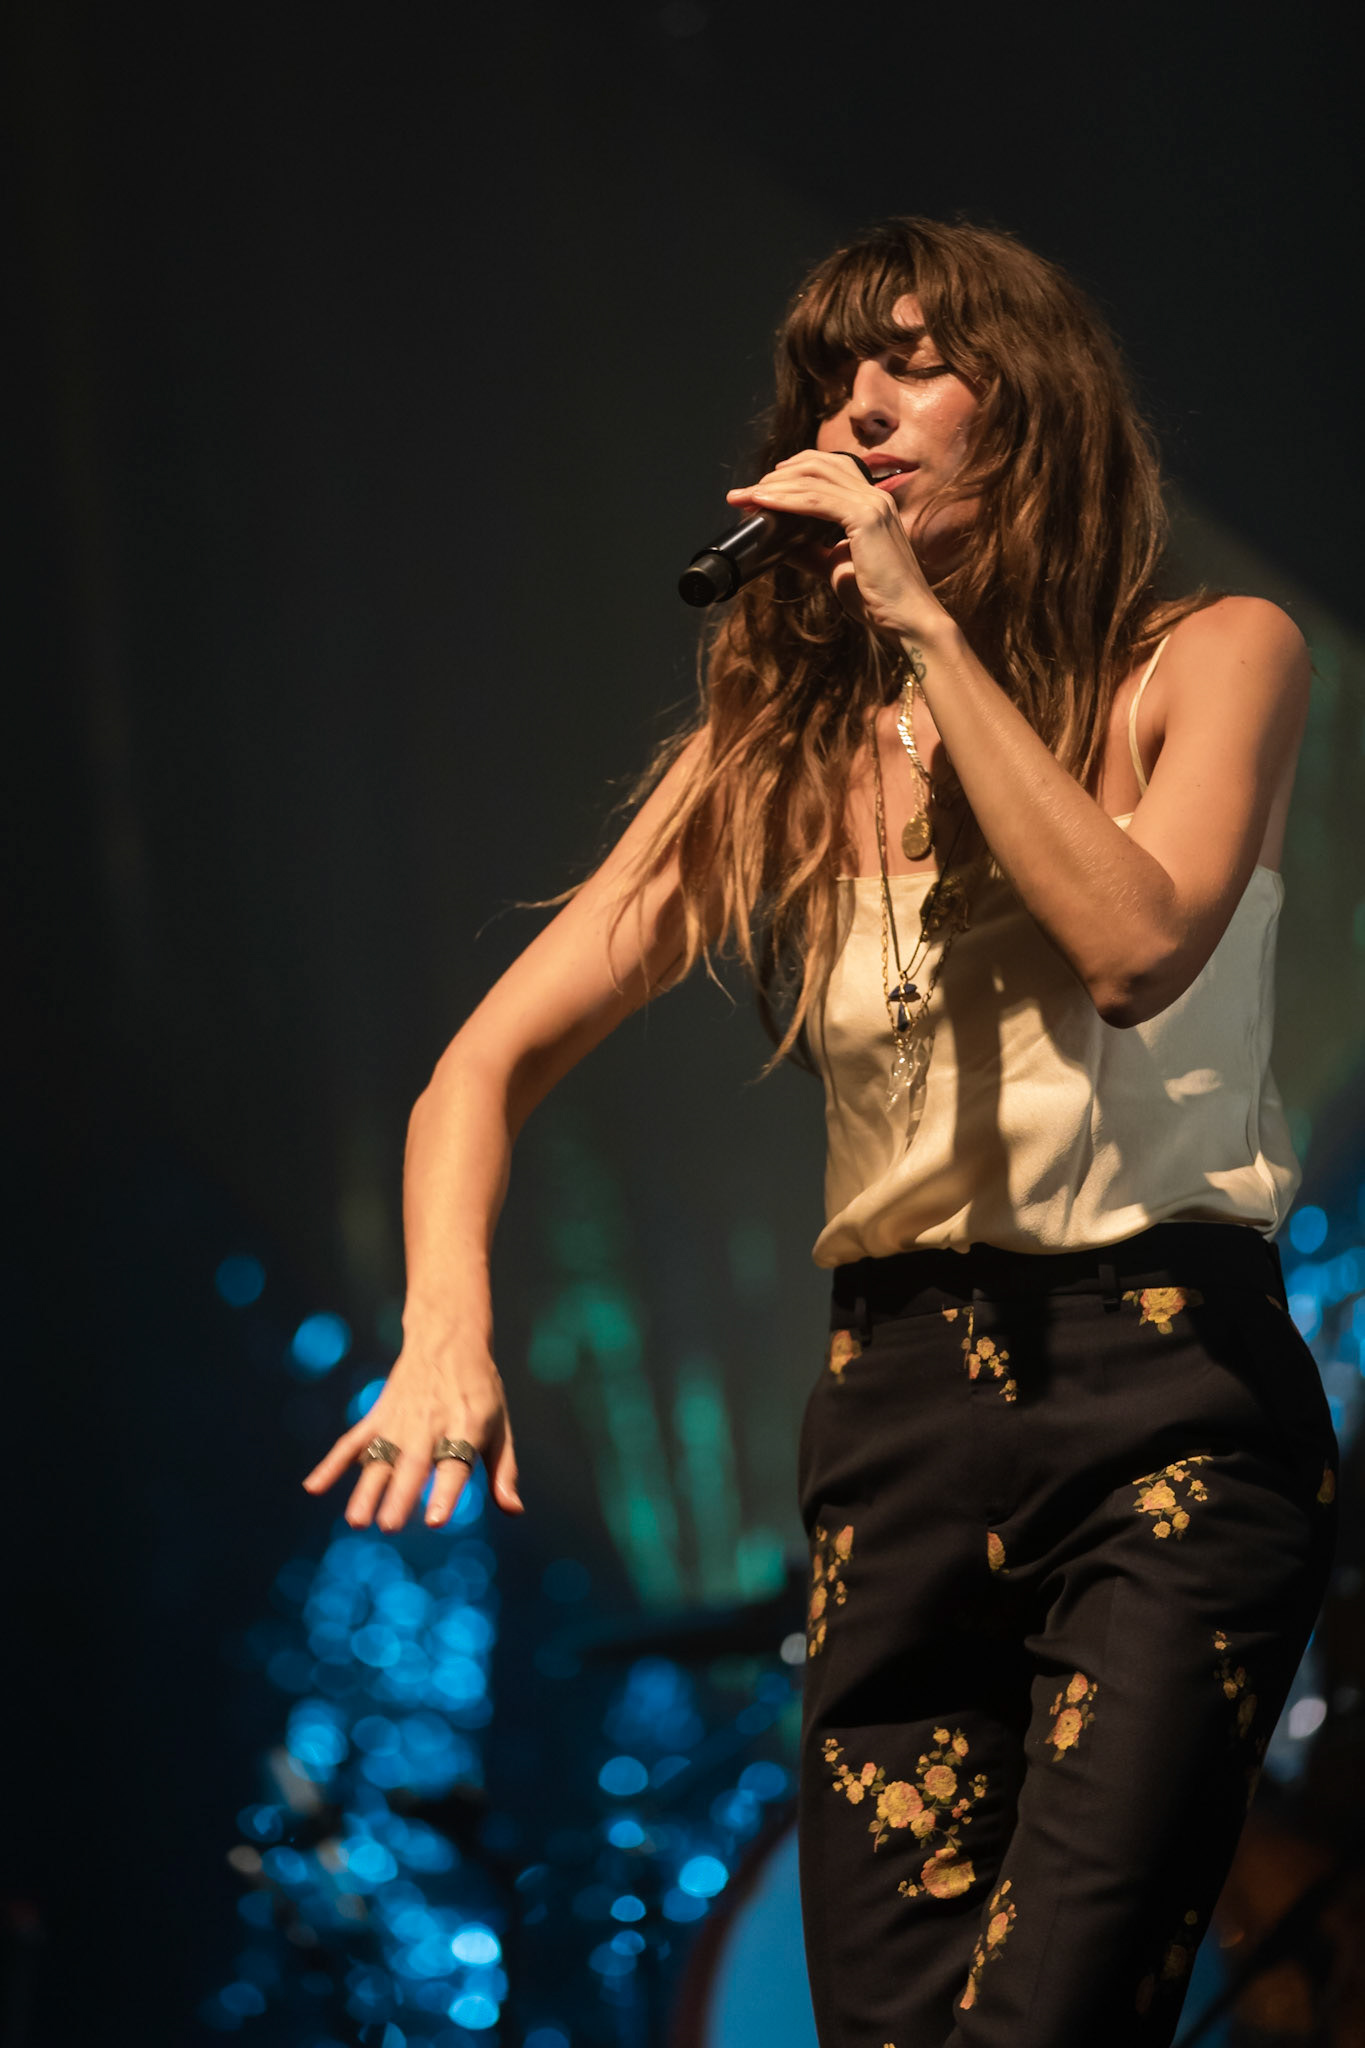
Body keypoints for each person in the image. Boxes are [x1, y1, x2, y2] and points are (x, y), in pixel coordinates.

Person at [303, 218, 1337, 2047]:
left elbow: (1131, 950)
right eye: (834, 378)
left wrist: (923, 629)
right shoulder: (776, 751)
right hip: (898, 1427)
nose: (860, 408)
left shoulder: (1210, 655)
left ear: (1035, 407)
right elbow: (478, 1067)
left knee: (1053, 2015)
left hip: (1164, 1406)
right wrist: (443, 1330)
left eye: (916, 363)